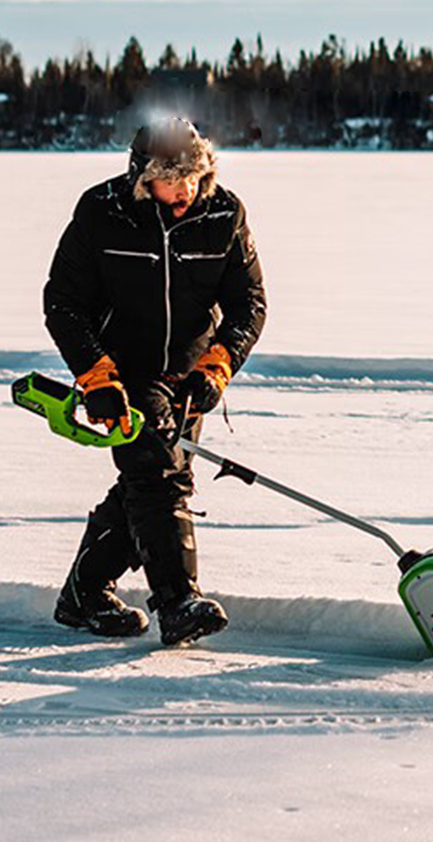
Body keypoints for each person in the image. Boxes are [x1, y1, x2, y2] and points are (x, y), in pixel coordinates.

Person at [43, 118, 266, 645]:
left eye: (194, 175)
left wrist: (217, 368)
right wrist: (97, 378)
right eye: (173, 177)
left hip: (187, 374)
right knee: (159, 477)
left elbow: (248, 304)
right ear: (144, 176)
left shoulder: (224, 213)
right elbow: (64, 303)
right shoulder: (102, 212)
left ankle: (84, 594)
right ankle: (178, 601)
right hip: (124, 373)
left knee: (148, 484)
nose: (186, 188)